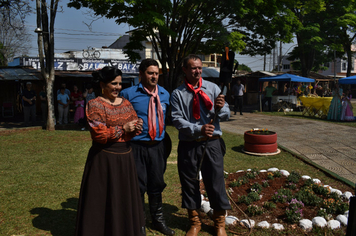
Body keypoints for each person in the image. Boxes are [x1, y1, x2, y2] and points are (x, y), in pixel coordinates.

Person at [75, 66, 145, 236]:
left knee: (122, 199)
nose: (118, 87)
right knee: (101, 199)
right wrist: (123, 129)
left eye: (120, 84)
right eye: (114, 83)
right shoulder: (95, 104)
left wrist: (137, 125)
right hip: (103, 158)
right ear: (102, 85)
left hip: (125, 158)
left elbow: (134, 125)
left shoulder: (126, 103)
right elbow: (99, 134)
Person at [170, 54, 231, 236]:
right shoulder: (178, 94)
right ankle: (194, 222)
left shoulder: (213, 88)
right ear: (185, 70)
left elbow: (226, 113)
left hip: (212, 144)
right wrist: (199, 129)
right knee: (189, 183)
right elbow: (177, 120)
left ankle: (219, 223)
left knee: (216, 181)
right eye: (193, 68)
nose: (197, 71)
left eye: (199, 67)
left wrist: (220, 108)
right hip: (189, 144)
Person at [120, 59, 174, 236]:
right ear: (141, 74)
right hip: (136, 147)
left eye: (156, 73)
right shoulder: (128, 94)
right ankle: (139, 224)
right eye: (150, 73)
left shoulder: (165, 94)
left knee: (157, 183)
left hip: (158, 146)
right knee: (138, 186)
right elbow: (119, 119)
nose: (154, 76)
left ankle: (158, 221)